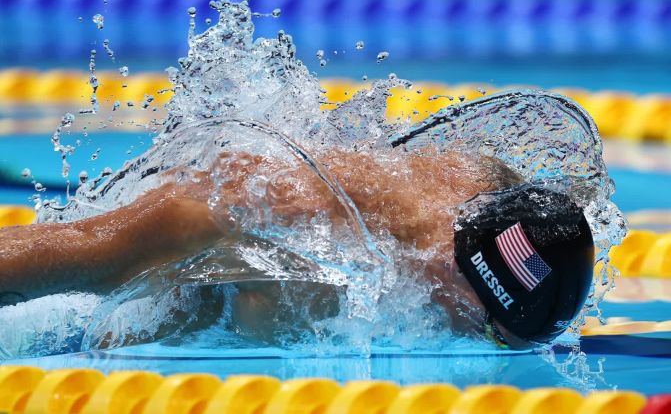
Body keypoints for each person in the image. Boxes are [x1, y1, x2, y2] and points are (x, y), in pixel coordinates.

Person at [0, 144, 594, 350]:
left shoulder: (487, 202)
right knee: (96, 254)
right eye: (487, 327)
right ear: (464, 273)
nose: (477, 336)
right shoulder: (414, 228)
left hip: (289, 220)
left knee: (214, 309)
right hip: (230, 203)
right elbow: (260, 184)